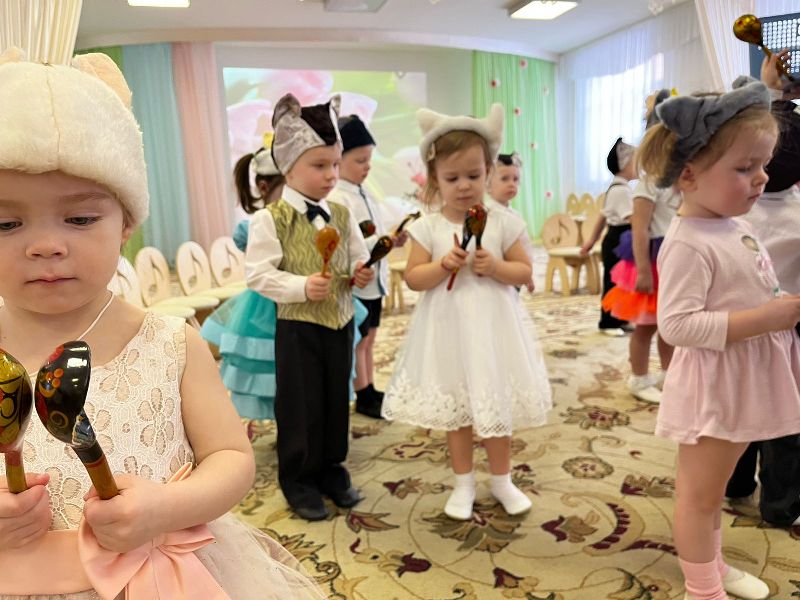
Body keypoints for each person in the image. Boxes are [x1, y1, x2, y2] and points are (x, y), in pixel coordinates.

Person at [0, 49, 323, 599]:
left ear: (126, 222)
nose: (46, 245)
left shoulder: (171, 342)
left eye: (80, 218)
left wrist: (168, 506)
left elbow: (231, 459)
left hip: (155, 578)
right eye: (7, 223)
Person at [644, 79, 800, 600]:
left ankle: (710, 564)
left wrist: (775, 307)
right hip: (714, 387)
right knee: (700, 496)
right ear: (688, 175)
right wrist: (765, 318)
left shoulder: (733, 223)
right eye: (745, 167)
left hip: (741, 379)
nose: (762, 178)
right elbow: (677, 326)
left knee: (713, 491)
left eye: (763, 164)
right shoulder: (689, 242)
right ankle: (703, 588)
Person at [381, 104, 552, 521]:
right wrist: (442, 265)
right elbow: (414, 278)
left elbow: (525, 271)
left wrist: (496, 267)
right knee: (457, 411)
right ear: (434, 179)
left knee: (496, 406)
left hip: (494, 330)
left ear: (489, 172)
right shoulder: (428, 227)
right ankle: (463, 483)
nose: (463, 186)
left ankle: (502, 479)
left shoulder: (503, 222)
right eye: (452, 178)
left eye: (474, 176)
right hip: (447, 330)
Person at [245, 93, 373, 521]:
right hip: (298, 327)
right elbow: (258, 274)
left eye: (335, 164)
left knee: (336, 398)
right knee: (301, 404)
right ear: (288, 166)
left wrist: (360, 273)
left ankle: (332, 469)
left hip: (340, 321)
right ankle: (299, 479)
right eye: (320, 166)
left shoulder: (342, 211)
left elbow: (357, 256)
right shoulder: (271, 219)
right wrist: (301, 286)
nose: (331, 175)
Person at [725, 52, 800, 528]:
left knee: (743, 410)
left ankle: (737, 484)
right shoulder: (793, 212)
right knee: (784, 418)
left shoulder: (734, 210)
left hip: (746, 329)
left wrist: (772, 91)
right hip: (784, 331)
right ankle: (780, 503)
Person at [327, 115, 407, 419]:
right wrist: (379, 240)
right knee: (359, 341)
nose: (367, 166)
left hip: (375, 282)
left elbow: (374, 234)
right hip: (358, 282)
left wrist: (393, 240)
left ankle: (370, 387)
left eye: (369, 160)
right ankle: (362, 393)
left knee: (370, 338)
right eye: (360, 160)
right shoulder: (338, 197)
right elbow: (349, 242)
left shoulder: (366, 193)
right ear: (339, 160)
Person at [602, 90, 678, 404]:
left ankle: (670, 374)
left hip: (674, 259)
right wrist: (644, 270)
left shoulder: (678, 180)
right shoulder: (648, 183)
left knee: (669, 325)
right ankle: (639, 377)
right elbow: (639, 228)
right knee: (647, 325)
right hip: (651, 260)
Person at [201, 138, 284, 420]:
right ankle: (283, 420)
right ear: (264, 188)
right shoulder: (254, 226)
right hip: (264, 306)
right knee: (266, 363)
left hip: (290, 299)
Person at [581, 138, 637, 336]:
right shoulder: (621, 191)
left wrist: (591, 240)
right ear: (624, 165)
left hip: (617, 239)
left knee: (623, 282)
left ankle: (620, 317)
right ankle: (608, 322)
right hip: (619, 240)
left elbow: (602, 217)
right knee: (614, 283)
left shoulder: (616, 188)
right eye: (635, 161)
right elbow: (632, 219)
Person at [486, 152, 535, 292]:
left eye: (515, 179)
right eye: (504, 179)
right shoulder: (488, 214)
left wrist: (527, 276)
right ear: (487, 183)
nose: (511, 184)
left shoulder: (515, 215)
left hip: (516, 274)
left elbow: (524, 247)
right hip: (498, 276)